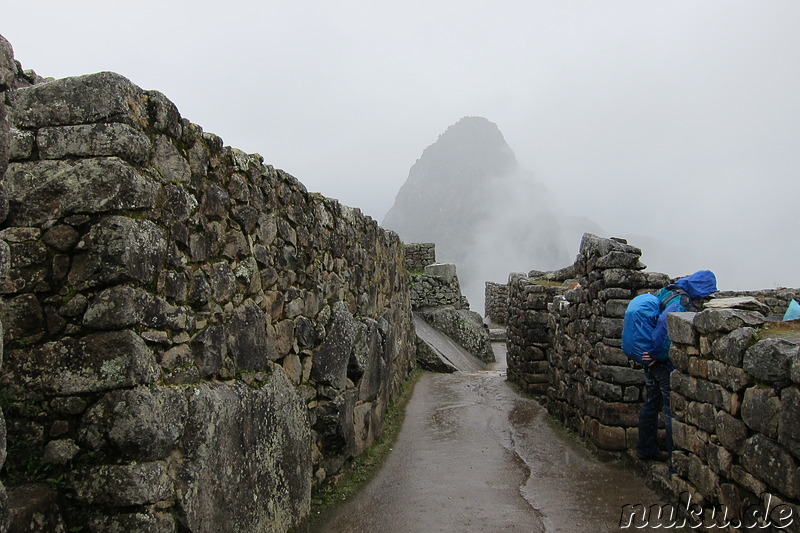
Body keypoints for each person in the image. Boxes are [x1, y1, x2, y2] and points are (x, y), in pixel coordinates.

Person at [635, 270, 718, 462]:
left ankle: (645, 448)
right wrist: (657, 353)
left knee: (651, 403)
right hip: (661, 362)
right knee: (670, 410)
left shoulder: (671, 291)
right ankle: (675, 464)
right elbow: (665, 322)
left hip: (650, 358)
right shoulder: (682, 302)